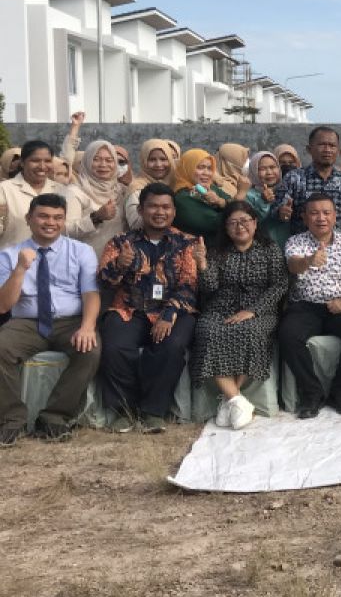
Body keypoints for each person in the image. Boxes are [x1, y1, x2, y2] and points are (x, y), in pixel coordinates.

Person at [97, 183, 200, 433]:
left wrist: (168, 315)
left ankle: (153, 411)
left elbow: (189, 285)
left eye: (166, 207)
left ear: (174, 212)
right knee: (115, 346)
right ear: (141, 210)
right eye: (153, 206)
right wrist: (120, 265)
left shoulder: (186, 243)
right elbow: (103, 280)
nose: (159, 212)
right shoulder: (121, 242)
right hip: (129, 309)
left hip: (173, 310)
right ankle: (124, 410)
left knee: (171, 346)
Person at [0, 193, 101, 445]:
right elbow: (4, 305)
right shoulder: (10, 255)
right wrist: (21, 269)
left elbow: (91, 293)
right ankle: (12, 419)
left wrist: (87, 327)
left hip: (70, 321)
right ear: (29, 218)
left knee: (90, 349)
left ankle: (54, 416)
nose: (50, 222)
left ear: (64, 220)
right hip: (27, 323)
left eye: (58, 217)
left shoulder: (82, 251)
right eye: (43, 216)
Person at [192, 201, 289, 430]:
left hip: (259, 309)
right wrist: (203, 264)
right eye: (233, 222)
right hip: (220, 307)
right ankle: (237, 400)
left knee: (251, 331)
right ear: (225, 228)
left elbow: (279, 285)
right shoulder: (217, 252)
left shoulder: (269, 249)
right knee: (208, 331)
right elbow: (209, 288)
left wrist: (253, 310)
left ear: (255, 223)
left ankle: (228, 401)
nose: (240, 227)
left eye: (245, 221)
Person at [279, 193, 341, 419]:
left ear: (335, 216)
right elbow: (293, 266)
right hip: (306, 306)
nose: (321, 218)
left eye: (326, 212)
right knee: (288, 334)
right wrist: (309, 261)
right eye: (314, 213)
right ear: (304, 217)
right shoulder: (296, 242)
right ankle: (312, 393)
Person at [271, 126, 341, 245]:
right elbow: (275, 211)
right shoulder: (294, 178)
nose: (327, 150)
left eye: (332, 146)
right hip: (303, 251)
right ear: (309, 149)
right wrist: (281, 212)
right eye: (322, 145)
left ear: (338, 151)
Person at [0, 140, 86, 249]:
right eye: (35, 160)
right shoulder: (4, 190)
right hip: (13, 262)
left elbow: (69, 229)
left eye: (47, 161)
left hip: (53, 262)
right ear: (22, 162)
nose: (42, 166)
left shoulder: (62, 191)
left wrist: (95, 218)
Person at [66, 139, 128, 259]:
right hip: (85, 263)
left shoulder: (122, 191)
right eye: (96, 159)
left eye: (109, 160)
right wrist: (96, 217)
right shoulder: (75, 192)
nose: (103, 165)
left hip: (117, 265)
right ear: (87, 161)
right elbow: (65, 230)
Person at [173, 149, 232, 242]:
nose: (206, 173)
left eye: (209, 168)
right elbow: (219, 223)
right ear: (187, 168)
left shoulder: (211, 188)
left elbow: (237, 205)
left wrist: (220, 201)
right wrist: (241, 195)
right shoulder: (182, 198)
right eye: (200, 167)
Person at [126, 139, 176, 230]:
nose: (158, 164)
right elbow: (136, 224)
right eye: (152, 160)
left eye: (163, 159)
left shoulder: (175, 184)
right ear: (144, 162)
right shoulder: (137, 188)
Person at [245, 150, 291, 247]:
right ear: (253, 171)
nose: (269, 172)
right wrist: (263, 201)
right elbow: (249, 223)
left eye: (273, 167)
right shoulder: (249, 195)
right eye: (262, 169)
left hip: (288, 246)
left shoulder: (286, 191)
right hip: (262, 248)